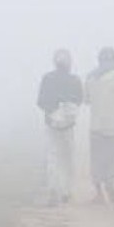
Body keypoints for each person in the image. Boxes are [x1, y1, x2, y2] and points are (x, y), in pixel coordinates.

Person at [36, 49, 83, 206]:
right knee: (67, 158)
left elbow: (41, 102)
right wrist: (67, 112)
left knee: (53, 157)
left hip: (51, 124)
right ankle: (66, 191)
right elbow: (79, 100)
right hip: (68, 126)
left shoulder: (47, 79)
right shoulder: (75, 81)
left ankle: (53, 189)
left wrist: (52, 112)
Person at [85, 46, 114, 204]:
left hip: (95, 125)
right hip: (113, 126)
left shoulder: (91, 77)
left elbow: (87, 100)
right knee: (111, 159)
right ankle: (110, 183)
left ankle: (99, 193)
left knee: (96, 160)